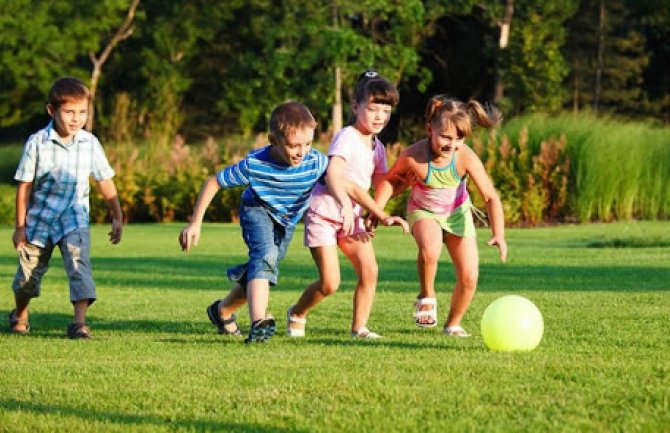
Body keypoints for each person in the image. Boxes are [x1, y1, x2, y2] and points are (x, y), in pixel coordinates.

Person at [178, 100, 399, 344]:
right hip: (257, 210)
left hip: (287, 220)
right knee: (264, 258)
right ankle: (259, 322)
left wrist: (379, 213)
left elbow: (349, 187)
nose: (302, 152)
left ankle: (222, 310)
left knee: (264, 267)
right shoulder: (256, 164)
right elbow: (214, 182)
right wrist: (195, 223)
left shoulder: (314, 161)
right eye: (294, 146)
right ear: (274, 140)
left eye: (307, 144)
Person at [372, 94, 507, 337]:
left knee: (469, 276)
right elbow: (390, 182)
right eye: (445, 137)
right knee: (430, 247)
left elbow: (490, 197)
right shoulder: (415, 155)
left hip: (457, 215)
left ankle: (453, 324)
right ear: (429, 129)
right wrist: (376, 211)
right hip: (423, 212)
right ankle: (427, 295)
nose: (451, 145)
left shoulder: (464, 156)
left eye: (459, 138)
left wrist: (499, 233)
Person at [286, 70, 408, 339]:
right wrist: (347, 204)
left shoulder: (377, 147)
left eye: (385, 111)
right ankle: (297, 312)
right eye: (373, 108)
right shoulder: (347, 137)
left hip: (352, 216)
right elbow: (333, 174)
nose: (380, 116)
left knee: (369, 270)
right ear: (356, 106)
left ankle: (359, 328)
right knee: (330, 283)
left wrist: (406, 184)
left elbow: (382, 184)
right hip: (326, 213)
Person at [9, 77, 123, 339]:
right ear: (52, 110)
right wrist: (20, 227)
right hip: (40, 220)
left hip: (75, 217)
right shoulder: (37, 143)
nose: (76, 118)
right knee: (27, 279)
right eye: (69, 112)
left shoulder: (90, 143)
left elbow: (105, 180)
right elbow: (24, 187)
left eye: (82, 112)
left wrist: (116, 216)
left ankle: (78, 323)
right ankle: (20, 312)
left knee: (79, 264)